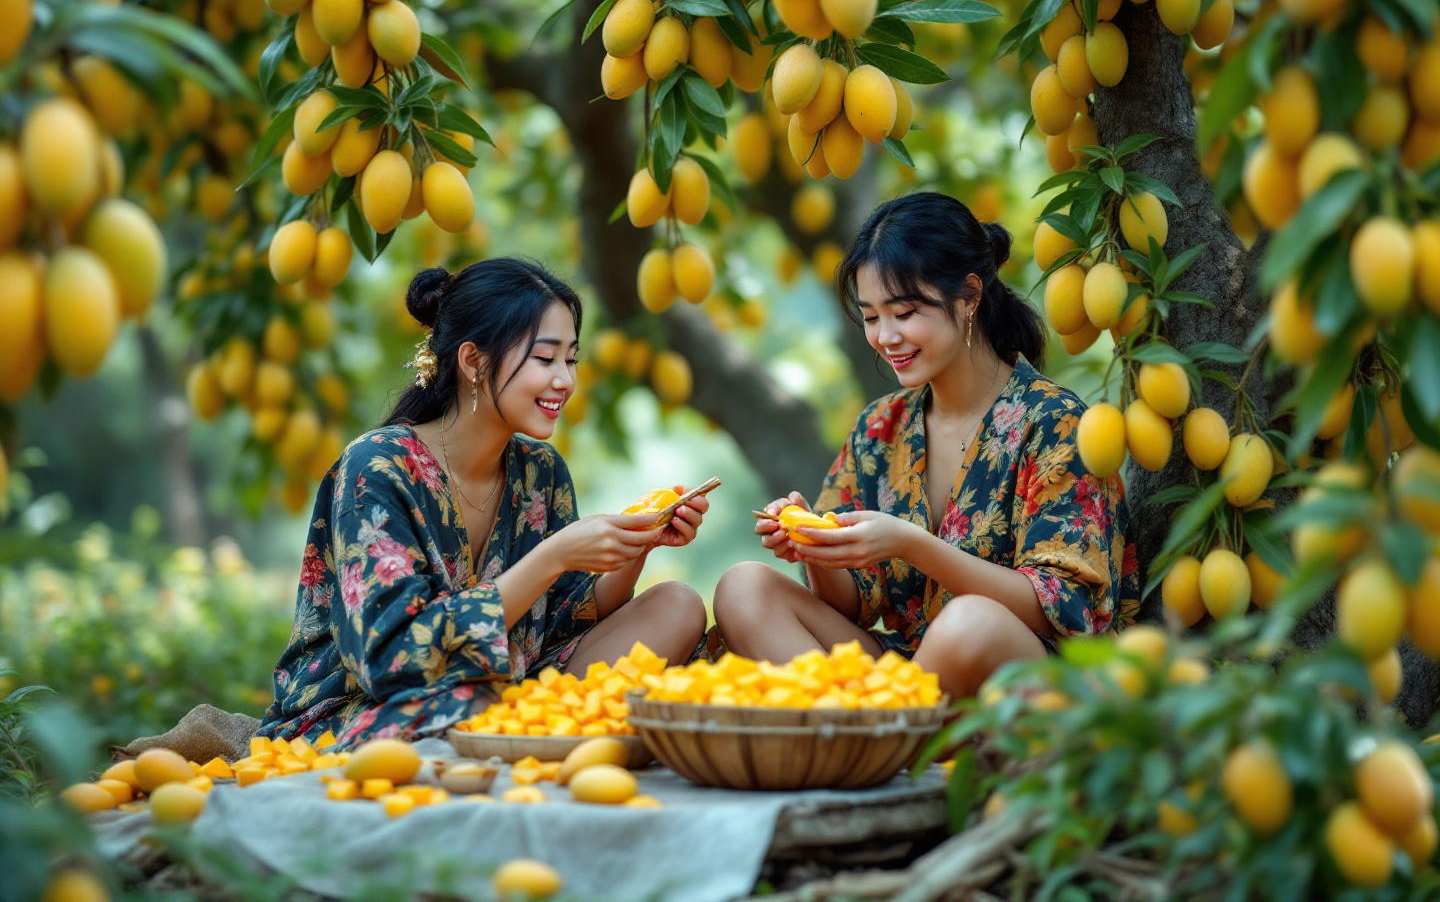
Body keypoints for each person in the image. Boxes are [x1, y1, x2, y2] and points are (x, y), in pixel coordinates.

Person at [259, 259, 709, 745]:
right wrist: (552, 556)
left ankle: (540, 731)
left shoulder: (541, 470)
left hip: (507, 692)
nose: (565, 381)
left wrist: (634, 545)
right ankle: (543, 733)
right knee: (475, 704)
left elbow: (562, 621)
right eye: (545, 359)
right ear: (473, 361)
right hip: (372, 708)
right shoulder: (379, 467)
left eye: (571, 359)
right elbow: (390, 662)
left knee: (677, 604)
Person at [714, 192, 1139, 698]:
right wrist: (817, 550)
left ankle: (870, 736)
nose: (886, 336)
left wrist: (912, 544)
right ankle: (873, 735)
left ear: (969, 297)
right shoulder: (880, 428)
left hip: (1022, 683)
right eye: (871, 317)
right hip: (915, 682)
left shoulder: (1056, 424)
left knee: (970, 623)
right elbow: (851, 606)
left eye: (905, 312)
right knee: (745, 588)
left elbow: (1063, 610)